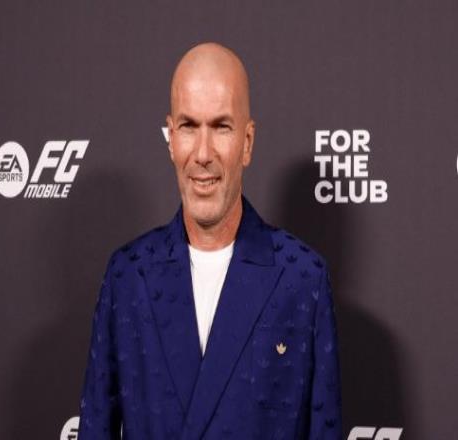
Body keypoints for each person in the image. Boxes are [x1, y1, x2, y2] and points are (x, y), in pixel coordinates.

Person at [78, 42, 342, 440]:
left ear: (247, 142)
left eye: (221, 127)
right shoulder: (128, 277)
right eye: (189, 126)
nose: (203, 154)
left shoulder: (303, 280)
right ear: (171, 138)